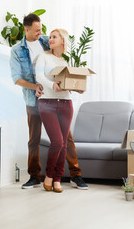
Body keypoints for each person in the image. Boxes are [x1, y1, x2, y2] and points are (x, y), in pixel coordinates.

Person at [10, 14, 88, 190]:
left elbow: (63, 57)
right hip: (33, 99)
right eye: (37, 30)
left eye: (42, 29)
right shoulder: (17, 50)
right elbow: (17, 79)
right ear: (27, 29)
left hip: (57, 98)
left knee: (66, 139)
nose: (41, 33)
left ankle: (76, 175)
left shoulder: (46, 41)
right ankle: (34, 176)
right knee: (34, 138)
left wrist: (75, 86)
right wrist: (34, 86)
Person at [35, 28, 83, 193]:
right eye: (50, 37)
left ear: (63, 40)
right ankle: (49, 175)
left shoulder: (68, 60)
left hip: (65, 104)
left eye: (54, 37)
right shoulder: (44, 57)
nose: (50, 39)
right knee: (57, 142)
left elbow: (71, 79)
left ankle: (57, 179)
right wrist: (51, 85)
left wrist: (78, 88)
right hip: (47, 103)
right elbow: (39, 76)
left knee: (63, 145)